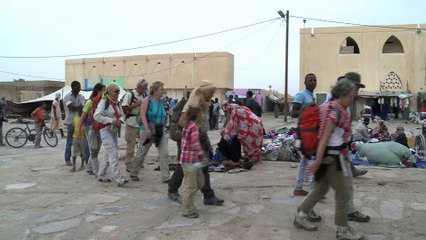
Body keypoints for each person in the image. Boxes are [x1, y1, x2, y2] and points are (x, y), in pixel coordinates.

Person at [293, 79, 363, 240]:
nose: (353, 99)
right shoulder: (333, 112)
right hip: (330, 158)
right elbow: (324, 138)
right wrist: (317, 161)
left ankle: (300, 216)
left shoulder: (337, 108)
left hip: (332, 156)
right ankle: (342, 230)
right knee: (343, 194)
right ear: (343, 94)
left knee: (321, 190)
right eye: (351, 95)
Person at [168, 80, 224, 206]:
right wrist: (196, 130)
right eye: (211, 92)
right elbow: (182, 122)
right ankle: (174, 190)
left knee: (200, 166)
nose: (212, 94)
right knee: (186, 167)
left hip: (201, 139)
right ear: (205, 91)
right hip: (192, 140)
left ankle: (207, 195)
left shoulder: (204, 103)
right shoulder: (192, 104)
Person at [130, 81, 170, 183]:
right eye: (161, 89)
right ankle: (134, 173)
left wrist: (165, 125)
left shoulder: (161, 102)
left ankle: (166, 177)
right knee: (142, 152)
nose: (163, 91)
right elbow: (143, 114)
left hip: (160, 130)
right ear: (155, 90)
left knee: (164, 153)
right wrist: (147, 129)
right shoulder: (147, 100)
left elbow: (164, 114)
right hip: (147, 130)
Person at [94, 83, 128, 187]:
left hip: (114, 130)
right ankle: (118, 178)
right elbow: (97, 116)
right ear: (110, 91)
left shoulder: (117, 103)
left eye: (118, 91)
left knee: (108, 154)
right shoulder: (104, 101)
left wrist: (120, 121)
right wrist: (111, 120)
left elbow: (122, 115)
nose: (118, 93)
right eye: (116, 91)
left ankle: (101, 174)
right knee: (113, 153)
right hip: (105, 130)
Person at [291, 73, 317, 196]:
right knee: (310, 159)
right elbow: (293, 113)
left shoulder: (312, 96)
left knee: (305, 160)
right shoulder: (301, 95)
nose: (313, 82)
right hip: (302, 132)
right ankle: (314, 190)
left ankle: (299, 187)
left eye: (314, 80)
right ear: (305, 82)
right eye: (310, 80)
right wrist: (307, 110)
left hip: (310, 132)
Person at [180, 107, 207, 218]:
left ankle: (187, 198)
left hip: (193, 161)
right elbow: (195, 144)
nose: (203, 116)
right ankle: (187, 209)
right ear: (197, 115)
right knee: (191, 186)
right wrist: (203, 156)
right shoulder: (193, 127)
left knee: (200, 182)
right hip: (189, 161)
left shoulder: (189, 125)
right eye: (201, 114)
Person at [77, 83, 105, 175]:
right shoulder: (90, 102)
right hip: (90, 128)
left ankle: (89, 168)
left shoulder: (103, 102)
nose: (105, 93)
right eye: (103, 90)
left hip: (99, 128)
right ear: (98, 91)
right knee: (93, 150)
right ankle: (97, 172)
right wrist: (78, 131)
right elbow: (82, 117)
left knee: (95, 150)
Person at [121, 79, 148, 172]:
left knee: (142, 145)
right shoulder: (130, 95)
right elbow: (124, 107)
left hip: (141, 123)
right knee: (131, 145)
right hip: (131, 122)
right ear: (140, 86)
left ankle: (139, 162)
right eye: (145, 87)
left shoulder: (144, 95)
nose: (146, 89)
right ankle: (129, 164)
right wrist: (135, 105)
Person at [63, 81, 85, 166]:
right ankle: (67, 159)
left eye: (79, 87)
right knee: (70, 141)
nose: (79, 89)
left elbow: (83, 108)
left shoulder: (82, 96)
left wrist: (78, 108)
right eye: (78, 87)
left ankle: (84, 159)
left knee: (82, 141)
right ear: (73, 87)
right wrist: (79, 107)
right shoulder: (67, 97)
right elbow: (71, 108)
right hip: (71, 122)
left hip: (80, 122)